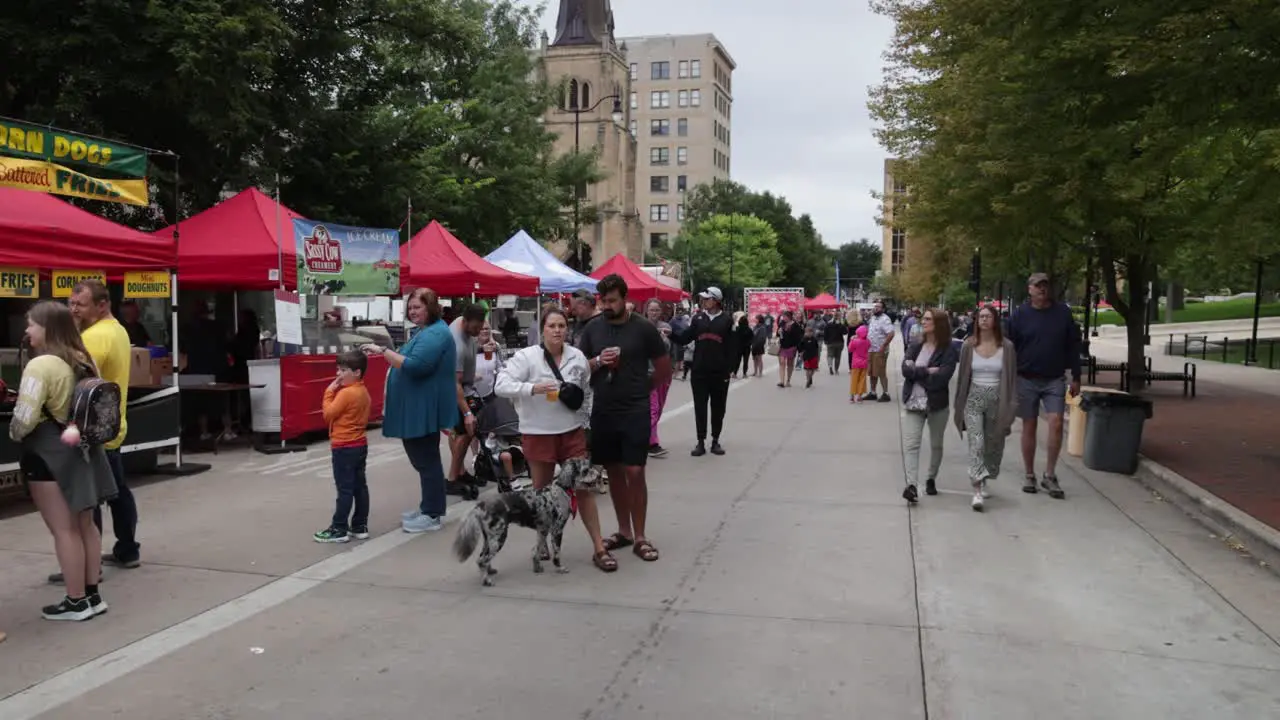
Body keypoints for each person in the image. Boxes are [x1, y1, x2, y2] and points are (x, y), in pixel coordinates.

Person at [11, 301, 117, 620]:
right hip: (84, 450)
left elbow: (25, 419)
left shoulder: (41, 365)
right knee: (85, 526)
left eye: (31, 324)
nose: (26, 331)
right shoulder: (83, 359)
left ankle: (74, 601)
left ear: (47, 328)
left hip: (48, 454)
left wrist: (15, 434)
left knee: (63, 530)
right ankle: (91, 596)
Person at [495, 308, 616, 571]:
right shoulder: (526, 357)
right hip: (538, 433)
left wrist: (586, 424)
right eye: (552, 325)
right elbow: (500, 385)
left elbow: (585, 392)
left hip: (571, 432)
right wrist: (531, 388)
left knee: (583, 490)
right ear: (543, 329)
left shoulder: (577, 357)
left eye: (562, 325)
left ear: (568, 329)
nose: (557, 330)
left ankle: (599, 547)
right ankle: (541, 543)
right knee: (541, 492)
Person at [576, 274, 671, 563]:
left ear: (624, 299)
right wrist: (596, 362)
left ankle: (640, 536)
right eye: (603, 300)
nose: (606, 305)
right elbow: (578, 368)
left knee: (635, 471)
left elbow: (664, 367)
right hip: (604, 408)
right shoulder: (592, 329)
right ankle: (624, 530)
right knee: (614, 471)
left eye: (612, 300)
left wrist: (644, 388)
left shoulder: (642, 328)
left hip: (634, 409)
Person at [364, 288, 459, 533]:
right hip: (418, 406)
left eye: (418, 307)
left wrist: (382, 351)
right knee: (424, 460)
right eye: (411, 308)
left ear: (431, 307)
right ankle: (429, 507)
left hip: (423, 408)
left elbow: (416, 366)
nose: (413, 312)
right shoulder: (427, 331)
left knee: (425, 460)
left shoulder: (435, 334)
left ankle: (432, 514)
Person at [64, 280, 139, 578]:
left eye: (80, 304)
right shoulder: (118, 330)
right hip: (112, 425)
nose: (73, 309)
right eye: (71, 303)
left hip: (91, 429)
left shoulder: (93, 338)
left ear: (102, 305)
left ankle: (87, 564)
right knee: (117, 490)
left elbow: (70, 379)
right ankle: (127, 548)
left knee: (88, 498)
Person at [1007, 272, 1081, 499]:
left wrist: (1076, 376)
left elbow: (1073, 345)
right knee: (1029, 426)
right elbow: (1010, 347)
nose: (1042, 289)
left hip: (1054, 379)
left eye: (1045, 286)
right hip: (1026, 378)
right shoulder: (1019, 315)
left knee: (1056, 422)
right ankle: (1030, 474)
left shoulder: (1062, 313)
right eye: (1037, 286)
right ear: (1029, 289)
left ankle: (1050, 474)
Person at [954, 304, 1018, 512]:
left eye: (987, 316)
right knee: (977, 443)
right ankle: (977, 490)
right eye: (980, 316)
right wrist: (959, 403)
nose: (983, 320)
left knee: (993, 444)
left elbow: (1011, 379)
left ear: (995, 321)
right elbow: (963, 377)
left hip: (997, 400)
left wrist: (1011, 405)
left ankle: (985, 475)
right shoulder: (968, 345)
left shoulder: (1006, 347)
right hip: (973, 399)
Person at [900, 309, 959, 504]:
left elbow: (943, 378)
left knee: (936, 444)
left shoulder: (949, 349)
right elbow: (904, 370)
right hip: (914, 402)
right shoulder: (916, 344)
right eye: (923, 318)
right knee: (911, 445)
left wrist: (917, 372)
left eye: (928, 319)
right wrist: (927, 371)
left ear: (939, 323)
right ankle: (911, 485)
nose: (923, 322)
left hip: (937, 404)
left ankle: (931, 477)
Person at [314, 350, 373, 543]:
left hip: (343, 446)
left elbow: (328, 414)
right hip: (359, 444)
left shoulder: (346, 393)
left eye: (343, 370)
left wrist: (329, 392)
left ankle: (338, 528)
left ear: (356, 372)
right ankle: (360, 524)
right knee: (359, 487)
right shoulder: (363, 391)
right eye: (338, 369)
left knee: (344, 489)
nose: (338, 374)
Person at [671, 287, 736, 457]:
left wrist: (730, 369)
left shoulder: (726, 320)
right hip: (699, 370)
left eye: (707, 299)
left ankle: (715, 440)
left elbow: (732, 347)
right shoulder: (698, 319)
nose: (703, 301)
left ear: (715, 300)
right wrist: (670, 334)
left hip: (719, 372)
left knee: (718, 407)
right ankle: (700, 441)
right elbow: (686, 337)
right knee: (700, 406)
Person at [447, 303, 486, 492]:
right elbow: (455, 384)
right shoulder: (456, 344)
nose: (478, 332)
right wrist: (467, 412)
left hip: (465, 386)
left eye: (481, 327)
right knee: (464, 431)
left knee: (460, 432)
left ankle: (460, 472)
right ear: (465, 321)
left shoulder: (464, 328)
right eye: (475, 328)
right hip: (454, 390)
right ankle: (453, 478)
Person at [643, 299, 673, 458]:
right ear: (646, 311)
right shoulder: (640, 327)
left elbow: (667, 348)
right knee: (652, 409)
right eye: (651, 310)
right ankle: (651, 443)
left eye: (657, 310)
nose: (654, 313)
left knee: (659, 407)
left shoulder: (665, 327)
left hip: (664, 373)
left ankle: (647, 438)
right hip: (647, 374)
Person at [864, 301, 896, 402]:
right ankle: (873, 392)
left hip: (880, 350)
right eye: (875, 307)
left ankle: (886, 393)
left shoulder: (885, 319)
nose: (876, 308)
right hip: (871, 349)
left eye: (878, 307)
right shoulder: (873, 318)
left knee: (881, 371)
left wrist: (883, 346)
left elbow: (891, 333)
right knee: (872, 371)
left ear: (883, 309)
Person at [776, 311, 803, 388]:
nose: (783, 318)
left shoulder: (795, 326)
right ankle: (782, 381)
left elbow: (798, 339)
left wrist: (800, 350)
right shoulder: (782, 323)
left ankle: (788, 380)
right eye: (783, 316)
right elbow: (778, 334)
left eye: (785, 316)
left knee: (790, 364)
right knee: (782, 362)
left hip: (792, 347)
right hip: (782, 346)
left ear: (789, 317)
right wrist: (778, 332)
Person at [848, 324, 870, 402]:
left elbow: (850, 349)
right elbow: (868, 348)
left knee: (854, 379)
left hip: (855, 364)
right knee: (862, 380)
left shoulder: (855, 341)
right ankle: (859, 396)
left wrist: (851, 340)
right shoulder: (867, 341)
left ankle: (852, 396)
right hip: (864, 363)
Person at [733, 315, 753, 379]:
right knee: (745, 361)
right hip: (747, 348)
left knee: (737, 361)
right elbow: (752, 338)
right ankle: (744, 374)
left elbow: (732, 334)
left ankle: (734, 373)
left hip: (738, 347)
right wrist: (749, 344)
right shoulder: (749, 329)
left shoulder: (737, 328)